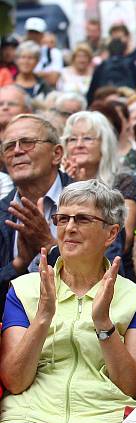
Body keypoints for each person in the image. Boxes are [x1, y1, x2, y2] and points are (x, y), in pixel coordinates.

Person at [0, 180, 136, 423]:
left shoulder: (134, 297)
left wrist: (103, 324)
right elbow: (16, 380)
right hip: (30, 418)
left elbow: (131, 384)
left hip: (105, 421)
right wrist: (42, 318)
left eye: (83, 219)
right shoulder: (24, 289)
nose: (68, 227)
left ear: (111, 232)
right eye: (62, 217)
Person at [0, 115, 71, 313]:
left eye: (27, 142)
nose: (16, 151)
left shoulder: (92, 202)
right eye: (8, 146)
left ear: (56, 154)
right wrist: (18, 264)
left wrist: (50, 245)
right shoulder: (2, 210)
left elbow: (110, 274)